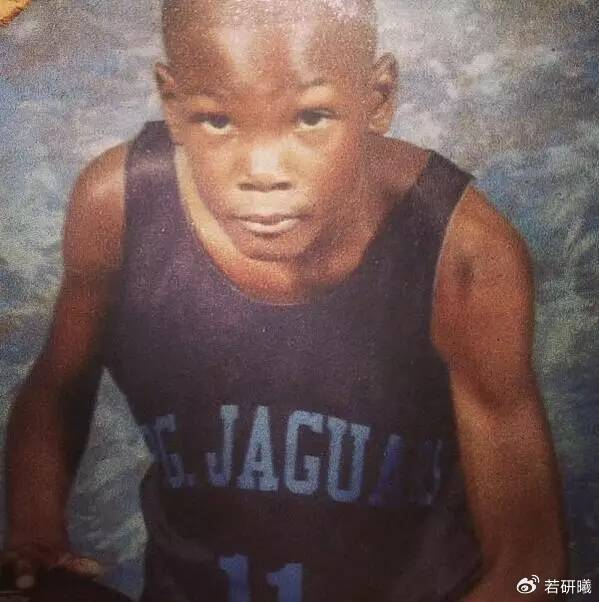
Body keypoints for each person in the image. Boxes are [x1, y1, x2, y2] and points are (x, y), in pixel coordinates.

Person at [3, 0, 568, 600]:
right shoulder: (116, 204)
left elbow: (536, 573)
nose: (264, 170)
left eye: (311, 116)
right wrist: (36, 538)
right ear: (171, 102)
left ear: (378, 97)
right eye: (218, 120)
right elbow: (58, 386)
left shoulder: (463, 251)